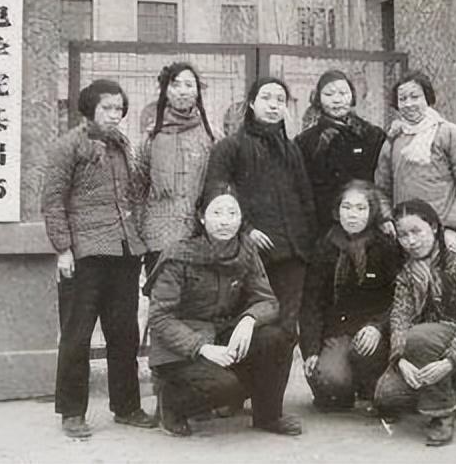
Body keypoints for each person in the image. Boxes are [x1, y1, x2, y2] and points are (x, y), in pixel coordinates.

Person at [41, 79, 155, 439]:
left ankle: (127, 406)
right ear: (90, 108)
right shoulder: (67, 146)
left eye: (119, 108)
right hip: (84, 254)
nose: (114, 114)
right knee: (77, 335)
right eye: (107, 108)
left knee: (124, 333)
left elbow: (133, 195)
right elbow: (53, 200)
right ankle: (72, 412)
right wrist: (63, 249)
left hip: (124, 252)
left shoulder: (122, 145)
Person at [203, 77, 317, 429]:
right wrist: (247, 229)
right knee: (247, 326)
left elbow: (305, 198)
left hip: (291, 256)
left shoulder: (291, 149)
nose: (273, 105)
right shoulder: (230, 147)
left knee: (284, 332)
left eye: (280, 99)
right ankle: (235, 394)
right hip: (250, 255)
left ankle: (269, 412)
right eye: (266, 97)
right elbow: (215, 194)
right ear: (251, 103)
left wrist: (306, 242)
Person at [146, 185, 301, 436]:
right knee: (228, 388)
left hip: (220, 334)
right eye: (217, 212)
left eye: (232, 213)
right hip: (180, 348)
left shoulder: (245, 249)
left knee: (278, 336)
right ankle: (171, 404)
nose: (225, 221)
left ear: (241, 218)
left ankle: (268, 416)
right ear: (202, 217)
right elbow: (160, 317)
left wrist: (249, 320)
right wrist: (201, 347)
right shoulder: (178, 255)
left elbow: (268, 301)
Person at [374, 199, 456, 446]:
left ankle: (441, 413)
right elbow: (400, 317)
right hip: (428, 346)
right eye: (403, 235)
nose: (411, 241)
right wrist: (400, 359)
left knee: (419, 337)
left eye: (416, 231)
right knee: (386, 396)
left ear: (434, 228)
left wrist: (450, 362)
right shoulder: (407, 272)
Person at [299, 179, 403, 411]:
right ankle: (343, 387)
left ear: (372, 212)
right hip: (338, 330)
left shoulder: (385, 246)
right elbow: (312, 303)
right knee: (330, 382)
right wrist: (311, 350)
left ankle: (370, 385)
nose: (352, 215)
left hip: (374, 331)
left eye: (360, 208)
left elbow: (400, 297)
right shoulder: (326, 246)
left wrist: (378, 326)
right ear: (337, 210)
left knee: (381, 385)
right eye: (346, 207)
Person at [375, 70, 456, 252]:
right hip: (408, 237)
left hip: (446, 235)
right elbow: (381, 189)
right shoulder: (393, 140)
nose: (409, 104)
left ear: (427, 98)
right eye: (402, 99)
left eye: (415, 97)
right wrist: (386, 219)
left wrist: (453, 228)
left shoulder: (449, 134)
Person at [137, 62, 216, 275]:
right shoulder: (151, 137)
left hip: (197, 234)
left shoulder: (210, 136)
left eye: (189, 85)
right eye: (175, 85)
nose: (182, 91)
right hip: (158, 235)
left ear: (198, 91)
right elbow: (138, 186)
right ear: (165, 91)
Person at [296, 69, 391, 239]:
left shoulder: (371, 135)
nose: (337, 99)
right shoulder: (306, 141)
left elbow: (383, 178)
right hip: (323, 224)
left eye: (343, 93)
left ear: (352, 96)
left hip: (365, 220)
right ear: (318, 98)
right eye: (329, 94)